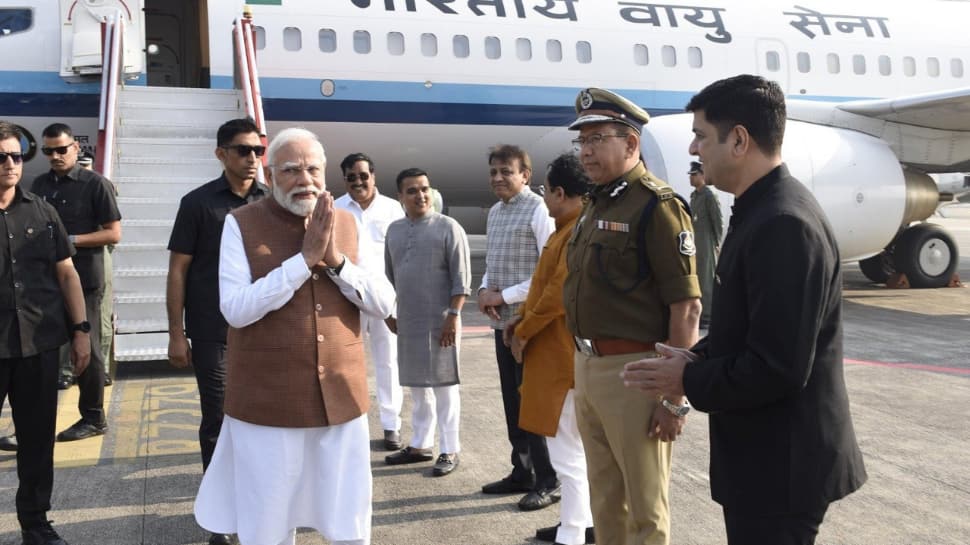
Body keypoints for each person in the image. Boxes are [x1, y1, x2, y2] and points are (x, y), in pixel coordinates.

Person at [621, 75, 867, 545]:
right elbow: (750, 328)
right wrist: (694, 357)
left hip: (782, 469)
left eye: (701, 135)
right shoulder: (759, 209)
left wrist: (686, 381)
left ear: (739, 139)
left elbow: (778, 366)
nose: (694, 148)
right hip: (767, 461)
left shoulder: (784, 224)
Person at [193, 127, 395, 545]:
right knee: (267, 520)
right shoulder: (240, 224)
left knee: (348, 517)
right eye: (291, 170)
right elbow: (235, 308)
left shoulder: (346, 222)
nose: (305, 179)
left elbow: (384, 302)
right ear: (270, 175)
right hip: (268, 404)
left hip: (341, 399)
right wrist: (303, 261)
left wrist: (335, 260)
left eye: (313, 169)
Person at [563, 88, 701, 545]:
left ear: (631, 144)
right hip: (589, 369)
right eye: (581, 141)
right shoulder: (597, 203)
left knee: (645, 508)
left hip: (638, 373)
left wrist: (672, 397)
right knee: (604, 502)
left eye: (597, 138)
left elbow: (686, 306)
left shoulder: (656, 206)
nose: (585, 150)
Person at [166, 118, 268, 545]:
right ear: (221, 154)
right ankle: (221, 518)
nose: (251, 159)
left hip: (265, 334)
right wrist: (176, 332)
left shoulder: (271, 203)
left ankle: (263, 507)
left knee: (264, 423)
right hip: (214, 333)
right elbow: (178, 270)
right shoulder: (198, 204)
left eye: (258, 151)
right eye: (243, 150)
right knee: (219, 423)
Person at [0, 120, 91, 545]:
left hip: (38, 345)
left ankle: (35, 523)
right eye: (1, 158)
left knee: (37, 443)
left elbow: (67, 273)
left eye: (16, 156)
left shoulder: (41, 210)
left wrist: (81, 330)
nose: (10, 165)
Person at [504, 153, 595, 545]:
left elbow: (557, 295)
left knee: (568, 456)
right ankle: (578, 525)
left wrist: (523, 329)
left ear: (560, 193)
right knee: (571, 453)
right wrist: (521, 317)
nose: (544, 198)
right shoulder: (567, 228)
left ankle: (575, 533)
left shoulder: (576, 231)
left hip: (561, 358)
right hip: (559, 357)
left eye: (545, 191)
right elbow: (544, 288)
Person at [477, 144, 559, 511]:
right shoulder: (495, 212)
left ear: (526, 175)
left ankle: (549, 478)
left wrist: (504, 295)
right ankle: (521, 471)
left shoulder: (538, 210)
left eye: (506, 171)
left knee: (533, 402)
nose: (498, 178)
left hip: (531, 325)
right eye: (494, 171)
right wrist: (483, 289)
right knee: (512, 402)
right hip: (503, 325)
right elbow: (493, 261)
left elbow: (549, 271)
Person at [30, 123, 121, 442]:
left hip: (85, 280)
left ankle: (94, 417)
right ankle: (31, 421)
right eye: (48, 151)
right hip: (45, 281)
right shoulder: (40, 185)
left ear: (75, 148)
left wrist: (70, 240)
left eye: (61, 149)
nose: (55, 156)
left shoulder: (96, 184)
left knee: (89, 351)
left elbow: (113, 233)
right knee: (41, 351)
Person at [383, 168, 471, 477]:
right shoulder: (393, 231)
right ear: (400, 197)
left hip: (442, 322)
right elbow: (390, 278)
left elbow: (462, 279)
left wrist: (453, 316)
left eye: (425, 189)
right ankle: (420, 444)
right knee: (417, 388)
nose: (420, 195)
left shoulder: (449, 227)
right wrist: (390, 314)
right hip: (409, 321)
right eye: (412, 190)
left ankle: (450, 449)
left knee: (445, 388)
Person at [335, 152, 405, 451]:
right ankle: (350, 425)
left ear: (373, 176)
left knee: (388, 362)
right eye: (352, 176)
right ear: (345, 180)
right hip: (346, 297)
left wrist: (397, 302)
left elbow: (403, 256)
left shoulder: (393, 209)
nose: (358, 181)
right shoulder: (336, 209)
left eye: (363, 175)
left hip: (384, 298)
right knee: (345, 362)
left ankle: (391, 426)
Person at [687, 161, 722, 329]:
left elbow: (717, 220)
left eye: (694, 175)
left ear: (702, 175)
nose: (691, 178)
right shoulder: (694, 196)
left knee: (707, 277)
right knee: (698, 276)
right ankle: (701, 312)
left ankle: (708, 314)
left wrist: (717, 242)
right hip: (695, 241)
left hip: (706, 241)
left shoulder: (709, 196)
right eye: (691, 175)